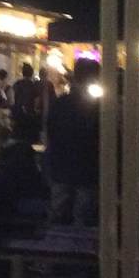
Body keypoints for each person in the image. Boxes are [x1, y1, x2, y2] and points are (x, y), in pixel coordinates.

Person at [46, 57, 101, 225]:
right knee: (83, 215)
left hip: (62, 165)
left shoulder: (60, 103)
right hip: (87, 167)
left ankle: (58, 239)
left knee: (59, 213)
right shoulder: (99, 107)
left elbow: (50, 132)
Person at [11, 63, 42, 145]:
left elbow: (12, 99)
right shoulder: (33, 85)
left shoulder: (17, 84)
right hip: (29, 115)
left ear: (22, 73)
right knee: (28, 139)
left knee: (18, 138)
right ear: (31, 73)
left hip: (18, 114)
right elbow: (37, 101)